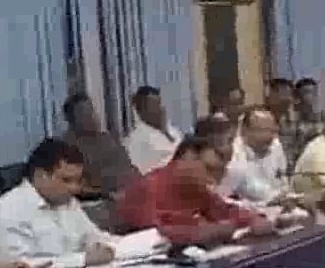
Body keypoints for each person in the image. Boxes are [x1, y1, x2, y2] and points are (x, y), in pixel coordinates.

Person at [114, 135, 277, 247]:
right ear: (187, 157)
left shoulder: (197, 188)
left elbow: (225, 211)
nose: (213, 180)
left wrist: (254, 219)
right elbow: (151, 237)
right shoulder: (147, 187)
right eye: (209, 169)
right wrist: (207, 231)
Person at [0, 138, 115, 268]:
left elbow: (94, 237)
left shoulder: (67, 203)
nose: (74, 188)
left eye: (78, 181)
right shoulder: (8, 211)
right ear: (40, 176)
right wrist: (82, 260)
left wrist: (109, 247)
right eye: (66, 180)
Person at [60, 91, 138, 198]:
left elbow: (128, 168)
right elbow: (83, 183)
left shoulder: (107, 139)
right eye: (85, 115)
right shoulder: (67, 147)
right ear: (72, 122)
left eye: (92, 111)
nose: (93, 117)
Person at [221, 107, 290, 204]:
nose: (268, 136)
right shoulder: (233, 155)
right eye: (262, 130)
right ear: (244, 131)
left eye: (272, 131)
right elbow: (226, 198)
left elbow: (283, 180)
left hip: (278, 205)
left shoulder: (275, 145)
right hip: (247, 208)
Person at [123, 86, 183, 173]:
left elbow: (181, 149)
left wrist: (165, 132)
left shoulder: (171, 129)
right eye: (154, 106)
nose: (159, 110)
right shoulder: (136, 139)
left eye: (159, 104)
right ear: (141, 110)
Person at [291, 78, 325, 148]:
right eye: (307, 92)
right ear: (298, 95)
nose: (311, 96)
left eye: (314, 92)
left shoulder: (323, 117)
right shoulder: (291, 119)